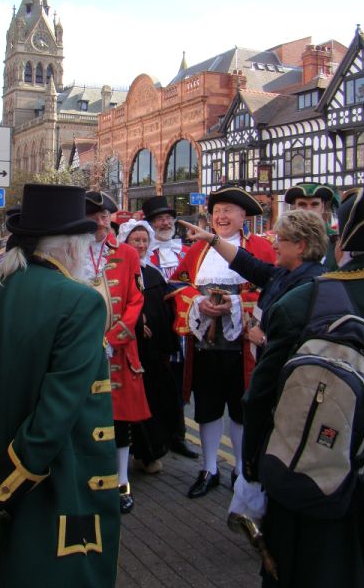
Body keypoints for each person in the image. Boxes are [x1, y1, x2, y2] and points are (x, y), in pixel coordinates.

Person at [0, 184, 120, 588]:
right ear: (71, 245)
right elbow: (54, 417)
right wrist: (0, 485)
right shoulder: (81, 303)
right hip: (49, 495)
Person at [242, 188, 364, 587]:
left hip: (317, 478)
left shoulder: (306, 301)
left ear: (343, 240)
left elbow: (262, 396)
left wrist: (256, 468)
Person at [169, 185, 276, 497]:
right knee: (207, 408)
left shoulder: (260, 248)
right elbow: (177, 282)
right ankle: (210, 468)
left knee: (242, 409)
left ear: (244, 216)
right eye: (217, 211)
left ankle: (241, 471)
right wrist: (197, 302)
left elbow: (272, 291)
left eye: (229, 210)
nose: (221, 216)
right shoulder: (197, 250)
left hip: (244, 349)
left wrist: (236, 305)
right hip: (205, 348)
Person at [84, 190, 149, 514]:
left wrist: (114, 339)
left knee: (119, 421)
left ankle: (122, 480)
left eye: (104, 216)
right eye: (94, 216)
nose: (100, 221)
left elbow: (136, 300)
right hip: (82, 351)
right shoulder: (73, 250)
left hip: (118, 352)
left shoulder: (126, 253)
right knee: (86, 418)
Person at [180, 209, 328, 348]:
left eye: (280, 239)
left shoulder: (310, 286)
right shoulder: (283, 274)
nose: (274, 246)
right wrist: (210, 238)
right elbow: (247, 263)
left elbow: (299, 340)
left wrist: (263, 340)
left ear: (300, 246)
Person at [118, 218, 180, 473]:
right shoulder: (117, 269)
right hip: (127, 349)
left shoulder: (152, 273)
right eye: (136, 240)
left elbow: (165, 311)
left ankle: (148, 452)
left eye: (145, 240)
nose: (141, 245)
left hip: (151, 352)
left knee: (153, 400)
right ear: (126, 241)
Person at [142, 195, 197, 459]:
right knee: (158, 383)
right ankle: (159, 437)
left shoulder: (186, 252)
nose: (165, 222)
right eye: (159, 219)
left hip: (185, 327)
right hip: (158, 328)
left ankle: (178, 435)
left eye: (168, 218)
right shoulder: (145, 254)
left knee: (181, 382)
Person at [284, 182, 339, 269]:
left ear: (323, 207)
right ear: (294, 208)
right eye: (302, 204)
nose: (308, 210)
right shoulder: (284, 241)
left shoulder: (337, 241)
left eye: (314, 204)